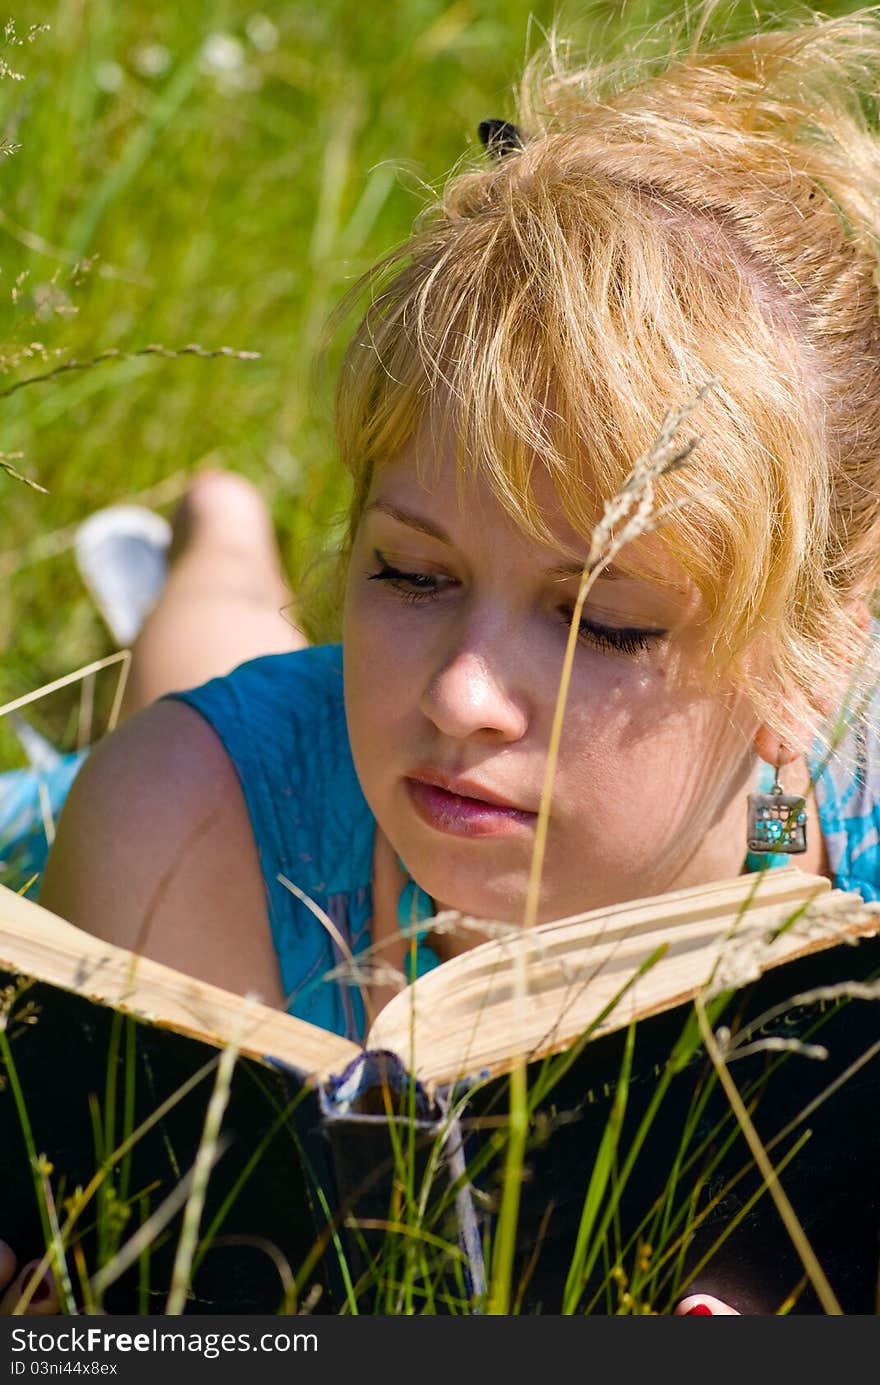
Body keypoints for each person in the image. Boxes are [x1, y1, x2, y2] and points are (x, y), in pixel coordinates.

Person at [10, 4, 880, 1314]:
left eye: (606, 621)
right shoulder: (180, 834)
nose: (464, 692)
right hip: (271, 770)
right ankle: (220, 530)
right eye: (411, 571)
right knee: (210, 661)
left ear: (814, 662)